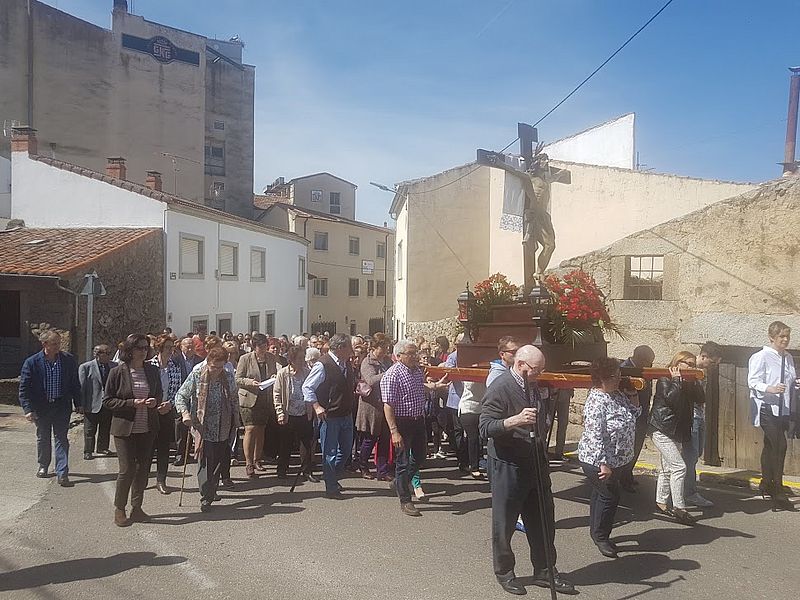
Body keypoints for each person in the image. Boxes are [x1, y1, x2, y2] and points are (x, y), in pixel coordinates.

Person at [480, 345, 575, 596]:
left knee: (543, 520)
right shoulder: (500, 387)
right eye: (536, 370)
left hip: (535, 462)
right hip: (508, 465)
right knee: (505, 523)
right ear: (521, 365)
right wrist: (514, 420)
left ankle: (545, 571)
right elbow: (485, 427)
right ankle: (505, 572)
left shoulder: (531, 385)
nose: (539, 374)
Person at [577, 357, 640, 558]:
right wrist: (603, 464)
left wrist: (633, 395)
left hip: (618, 459)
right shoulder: (597, 401)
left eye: (620, 375)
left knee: (600, 494)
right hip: (598, 460)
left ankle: (596, 531)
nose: (619, 379)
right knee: (609, 496)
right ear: (602, 378)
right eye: (615, 376)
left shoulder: (617, 394)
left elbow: (634, 414)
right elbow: (595, 435)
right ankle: (601, 536)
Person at [381, 339, 448, 516]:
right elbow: (388, 405)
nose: (414, 356)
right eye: (410, 354)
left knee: (419, 457)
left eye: (415, 353)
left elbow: (418, 388)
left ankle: (399, 483)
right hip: (402, 422)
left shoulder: (416, 371)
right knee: (402, 462)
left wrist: (433, 386)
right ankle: (405, 500)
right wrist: (394, 432)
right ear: (398, 356)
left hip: (418, 420)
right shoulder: (392, 375)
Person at [103, 334, 163, 526]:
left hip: (147, 427)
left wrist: (155, 402)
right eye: (140, 348)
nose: (144, 351)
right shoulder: (118, 372)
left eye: (146, 348)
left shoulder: (152, 371)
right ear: (130, 350)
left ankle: (137, 508)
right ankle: (119, 509)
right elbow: (107, 400)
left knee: (143, 469)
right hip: (125, 428)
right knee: (127, 469)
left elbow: (158, 394)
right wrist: (131, 403)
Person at [175, 347, 240, 512]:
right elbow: (181, 395)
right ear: (208, 362)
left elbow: (234, 398)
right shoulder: (198, 374)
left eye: (220, 367)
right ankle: (205, 497)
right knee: (205, 462)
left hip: (223, 426)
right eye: (214, 367)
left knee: (218, 462)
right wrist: (185, 413)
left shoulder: (228, 376)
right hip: (202, 426)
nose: (217, 371)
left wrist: (236, 419)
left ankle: (212, 490)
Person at [19, 330, 81, 486]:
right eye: (54, 343)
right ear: (44, 344)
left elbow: (75, 384)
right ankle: (43, 465)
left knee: (61, 438)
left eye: (59, 343)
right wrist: (28, 409)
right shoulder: (32, 363)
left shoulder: (68, 360)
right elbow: (24, 388)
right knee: (43, 437)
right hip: (42, 407)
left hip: (61, 406)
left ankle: (62, 473)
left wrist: (79, 403)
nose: (58, 346)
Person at [748, 321, 798, 511]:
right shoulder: (761, 357)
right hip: (767, 407)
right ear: (772, 338)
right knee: (780, 446)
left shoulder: (788, 357)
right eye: (781, 337)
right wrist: (770, 388)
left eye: (787, 336)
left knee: (770, 446)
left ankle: (766, 482)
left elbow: (791, 379)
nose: (785, 340)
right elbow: (752, 381)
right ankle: (777, 489)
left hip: (782, 408)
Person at [302, 333, 357, 499]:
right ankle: (331, 487)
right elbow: (307, 387)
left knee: (346, 450)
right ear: (340, 348)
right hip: (330, 416)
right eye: (349, 348)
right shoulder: (323, 364)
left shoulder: (346, 364)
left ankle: (332, 477)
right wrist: (317, 406)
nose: (352, 351)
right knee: (330, 452)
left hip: (346, 414)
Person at [649, 351, 700, 525]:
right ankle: (680, 508)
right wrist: (677, 380)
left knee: (666, 468)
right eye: (689, 363)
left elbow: (702, 398)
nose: (692, 367)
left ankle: (661, 502)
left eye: (694, 364)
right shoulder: (665, 379)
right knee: (679, 467)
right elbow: (671, 399)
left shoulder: (688, 382)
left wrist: (694, 381)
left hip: (677, 431)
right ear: (678, 363)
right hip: (661, 428)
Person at [682, 341, 723, 508]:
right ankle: (689, 493)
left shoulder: (703, 372)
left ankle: (683, 488)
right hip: (690, 418)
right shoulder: (689, 369)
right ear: (704, 356)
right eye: (712, 363)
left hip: (699, 416)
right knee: (690, 457)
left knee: (696, 453)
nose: (713, 367)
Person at [235, 333, 278, 478]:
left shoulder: (271, 358)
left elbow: (274, 373)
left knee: (261, 429)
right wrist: (250, 382)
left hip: (264, 397)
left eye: (266, 346)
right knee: (250, 429)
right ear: (255, 347)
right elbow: (238, 378)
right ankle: (248, 462)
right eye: (261, 346)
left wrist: (273, 377)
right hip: (249, 398)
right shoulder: (245, 359)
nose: (264, 349)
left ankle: (257, 459)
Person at [273, 345, 317, 481]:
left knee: (306, 444)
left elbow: (312, 391)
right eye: (298, 358)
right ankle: (282, 470)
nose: (302, 360)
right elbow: (277, 394)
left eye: (303, 358)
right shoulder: (283, 373)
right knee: (285, 443)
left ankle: (307, 471)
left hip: (304, 413)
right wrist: (280, 413)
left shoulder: (307, 372)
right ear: (291, 360)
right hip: (288, 413)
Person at [618, 345, 656, 492]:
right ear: (640, 358)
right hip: (629, 416)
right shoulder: (624, 369)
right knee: (627, 449)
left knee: (636, 447)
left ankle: (628, 474)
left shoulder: (644, 369)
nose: (650, 365)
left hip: (642, 415)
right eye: (648, 362)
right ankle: (623, 479)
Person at [356, 334, 394, 480]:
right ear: (374, 348)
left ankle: (382, 471)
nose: (385, 351)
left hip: (385, 405)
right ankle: (363, 465)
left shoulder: (387, 361)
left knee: (384, 439)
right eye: (382, 348)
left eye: (386, 348)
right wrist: (388, 373)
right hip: (371, 407)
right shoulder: (367, 362)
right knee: (370, 439)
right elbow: (370, 380)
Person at [148, 334, 182, 495]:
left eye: (172, 347)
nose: (171, 350)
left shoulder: (175, 367)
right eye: (167, 347)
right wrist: (154, 406)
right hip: (149, 412)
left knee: (163, 449)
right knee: (147, 448)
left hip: (167, 411)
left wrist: (170, 404)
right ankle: (141, 478)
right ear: (159, 348)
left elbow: (178, 390)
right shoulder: (149, 366)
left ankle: (161, 480)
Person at [79, 344, 117, 460]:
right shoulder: (86, 367)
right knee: (90, 429)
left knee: (105, 427)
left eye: (109, 352)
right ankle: (88, 450)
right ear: (97, 354)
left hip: (107, 403)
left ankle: (102, 447)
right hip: (92, 403)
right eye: (106, 353)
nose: (109, 355)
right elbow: (82, 387)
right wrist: (80, 404)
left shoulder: (114, 366)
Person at [171, 337, 200, 468]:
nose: (189, 349)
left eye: (191, 346)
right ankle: (180, 454)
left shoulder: (200, 361)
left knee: (195, 426)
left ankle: (194, 452)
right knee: (180, 426)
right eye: (187, 346)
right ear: (181, 347)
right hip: (181, 397)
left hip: (195, 398)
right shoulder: (175, 360)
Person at [459, 380, 487, 479]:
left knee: (475, 438)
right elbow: (469, 386)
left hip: (481, 408)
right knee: (473, 438)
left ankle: (464, 462)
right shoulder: (467, 374)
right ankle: (474, 468)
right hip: (468, 408)